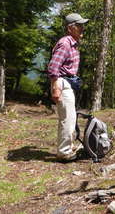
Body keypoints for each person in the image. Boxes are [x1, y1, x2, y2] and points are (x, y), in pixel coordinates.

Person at [47, 13, 89, 162]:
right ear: (71, 28)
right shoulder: (65, 43)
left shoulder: (73, 43)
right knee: (68, 120)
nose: (82, 28)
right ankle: (64, 152)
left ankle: (66, 147)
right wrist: (55, 87)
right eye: (79, 25)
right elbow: (53, 67)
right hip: (62, 83)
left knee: (68, 118)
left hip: (67, 83)